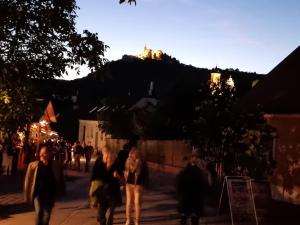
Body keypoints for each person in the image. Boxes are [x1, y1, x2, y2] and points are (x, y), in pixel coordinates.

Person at [24, 146, 63, 225]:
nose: (42, 155)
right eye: (41, 153)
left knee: (46, 215)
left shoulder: (55, 165)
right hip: (38, 194)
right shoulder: (33, 165)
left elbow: (60, 178)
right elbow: (28, 180)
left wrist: (60, 190)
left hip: (50, 194)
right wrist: (27, 194)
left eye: (45, 153)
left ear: (49, 154)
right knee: (39, 212)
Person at [90, 146, 122, 225]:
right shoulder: (100, 165)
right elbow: (94, 176)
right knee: (101, 212)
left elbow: (121, 176)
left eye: (113, 159)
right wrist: (93, 186)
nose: (111, 160)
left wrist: (118, 175)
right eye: (110, 158)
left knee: (110, 211)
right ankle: (101, 222)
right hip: (102, 192)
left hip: (113, 191)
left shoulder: (116, 164)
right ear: (106, 158)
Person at [176, 152, 209, 225]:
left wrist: (179, 195)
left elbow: (179, 184)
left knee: (184, 217)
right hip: (196, 199)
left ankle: (184, 219)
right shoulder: (201, 172)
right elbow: (205, 186)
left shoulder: (185, 171)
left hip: (186, 198)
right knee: (194, 218)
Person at [124, 146, 148, 225]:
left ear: (137, 154)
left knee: (137, 203)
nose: (131, 155)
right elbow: (125, 172)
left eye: (133, 153)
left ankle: (136, 220)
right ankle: (128, 220)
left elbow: (145, 174)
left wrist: (144, 184)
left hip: (138, 185)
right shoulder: (127, 161)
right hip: (129, 184)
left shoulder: (141, 162)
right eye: (131, 153)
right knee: (128, 203)